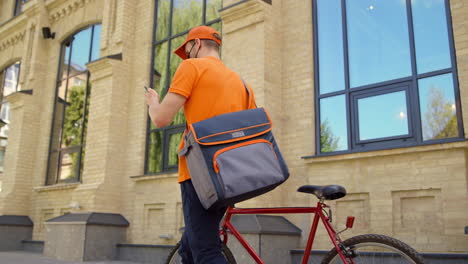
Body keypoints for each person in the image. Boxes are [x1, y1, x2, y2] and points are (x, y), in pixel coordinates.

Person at [144, 25, 256, 263]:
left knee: (205, 251)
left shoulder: (191, 67)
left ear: (197, 43)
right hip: (230, 176)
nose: (187, 56)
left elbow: (161, 118)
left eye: (187, 49)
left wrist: (153, 101)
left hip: (199, 173)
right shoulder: (242, 83)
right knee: (190, 247)